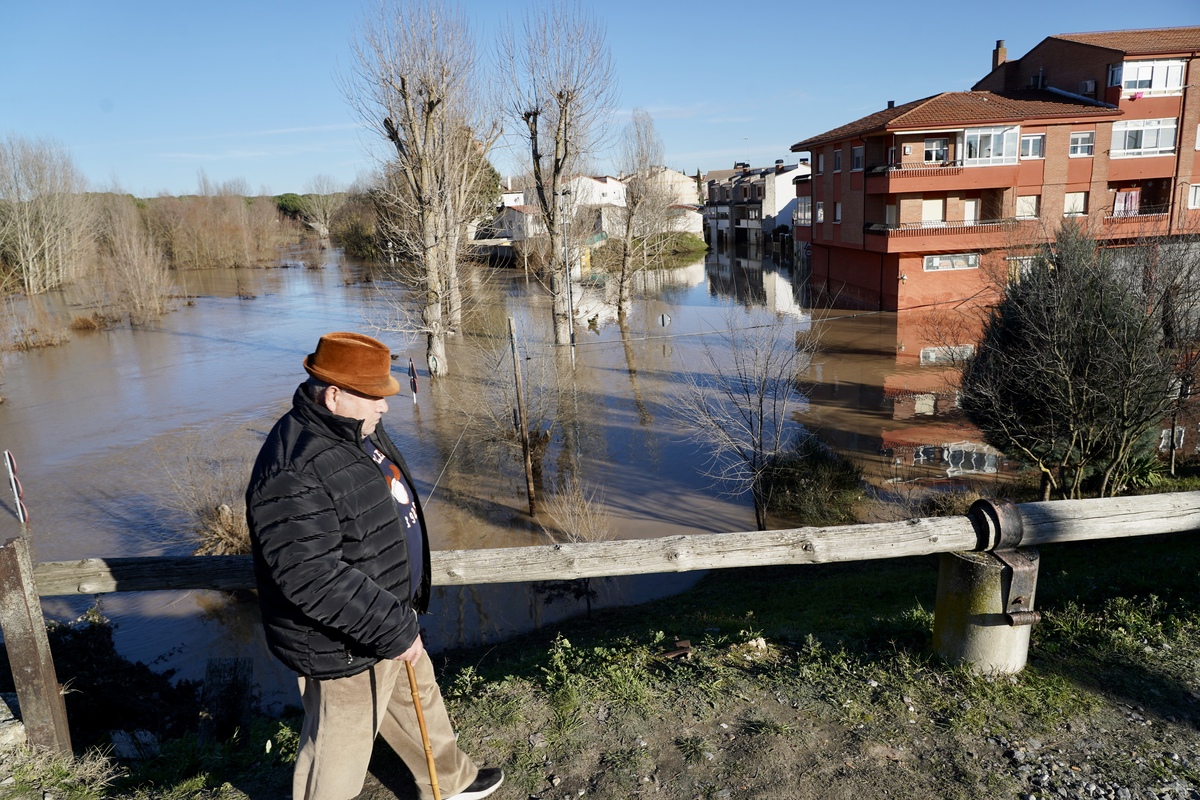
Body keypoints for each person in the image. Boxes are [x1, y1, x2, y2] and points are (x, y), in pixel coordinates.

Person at [246, 331, 503, 800]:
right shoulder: (292, 469)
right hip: (339, 640)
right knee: (337, 749)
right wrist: (393, 628)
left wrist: (400, 619)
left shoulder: (354, 427)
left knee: (416, 695)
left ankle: (451, 781)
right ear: (334, 394)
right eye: (376, 396)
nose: (386, 406)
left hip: (388, 615)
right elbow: (311, 577)